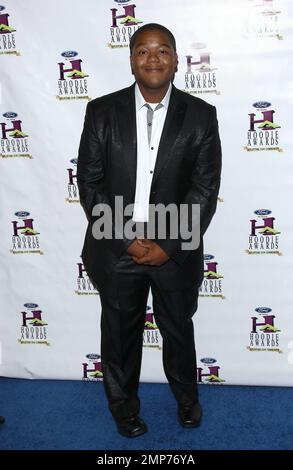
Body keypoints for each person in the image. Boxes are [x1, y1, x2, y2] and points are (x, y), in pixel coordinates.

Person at [77, 23, 221, 438]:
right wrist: (127, 239)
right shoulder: (101, 111)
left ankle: (187, 400)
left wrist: (168, 244)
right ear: (131, 61)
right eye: (143, 51)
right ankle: (123, 408)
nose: (153, 59)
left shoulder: (201, 115)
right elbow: (90, 182)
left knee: (178, 329)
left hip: (175, 246)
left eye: (162, 51)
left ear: (176, 60)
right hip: (116, 243)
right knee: (120, 334)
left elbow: (204, 188)